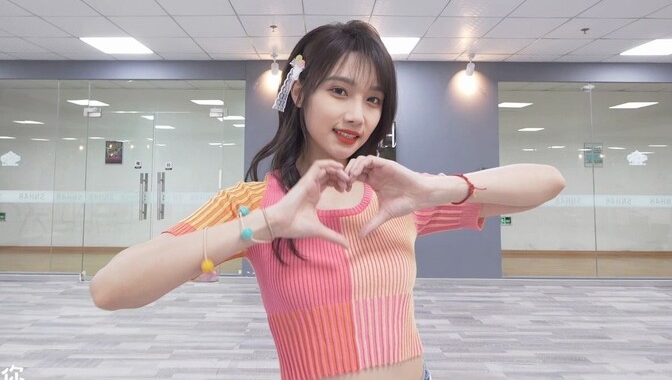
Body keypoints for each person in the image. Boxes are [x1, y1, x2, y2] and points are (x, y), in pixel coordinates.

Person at [90, 20, 565, 380]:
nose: (358, 115)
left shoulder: (397, 196)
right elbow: (109, 289)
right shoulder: (254, 203)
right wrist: (262, 225)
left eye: (373, 100)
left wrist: (437, 189)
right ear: (299, 92)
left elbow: (548, 182)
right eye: (339, 91)